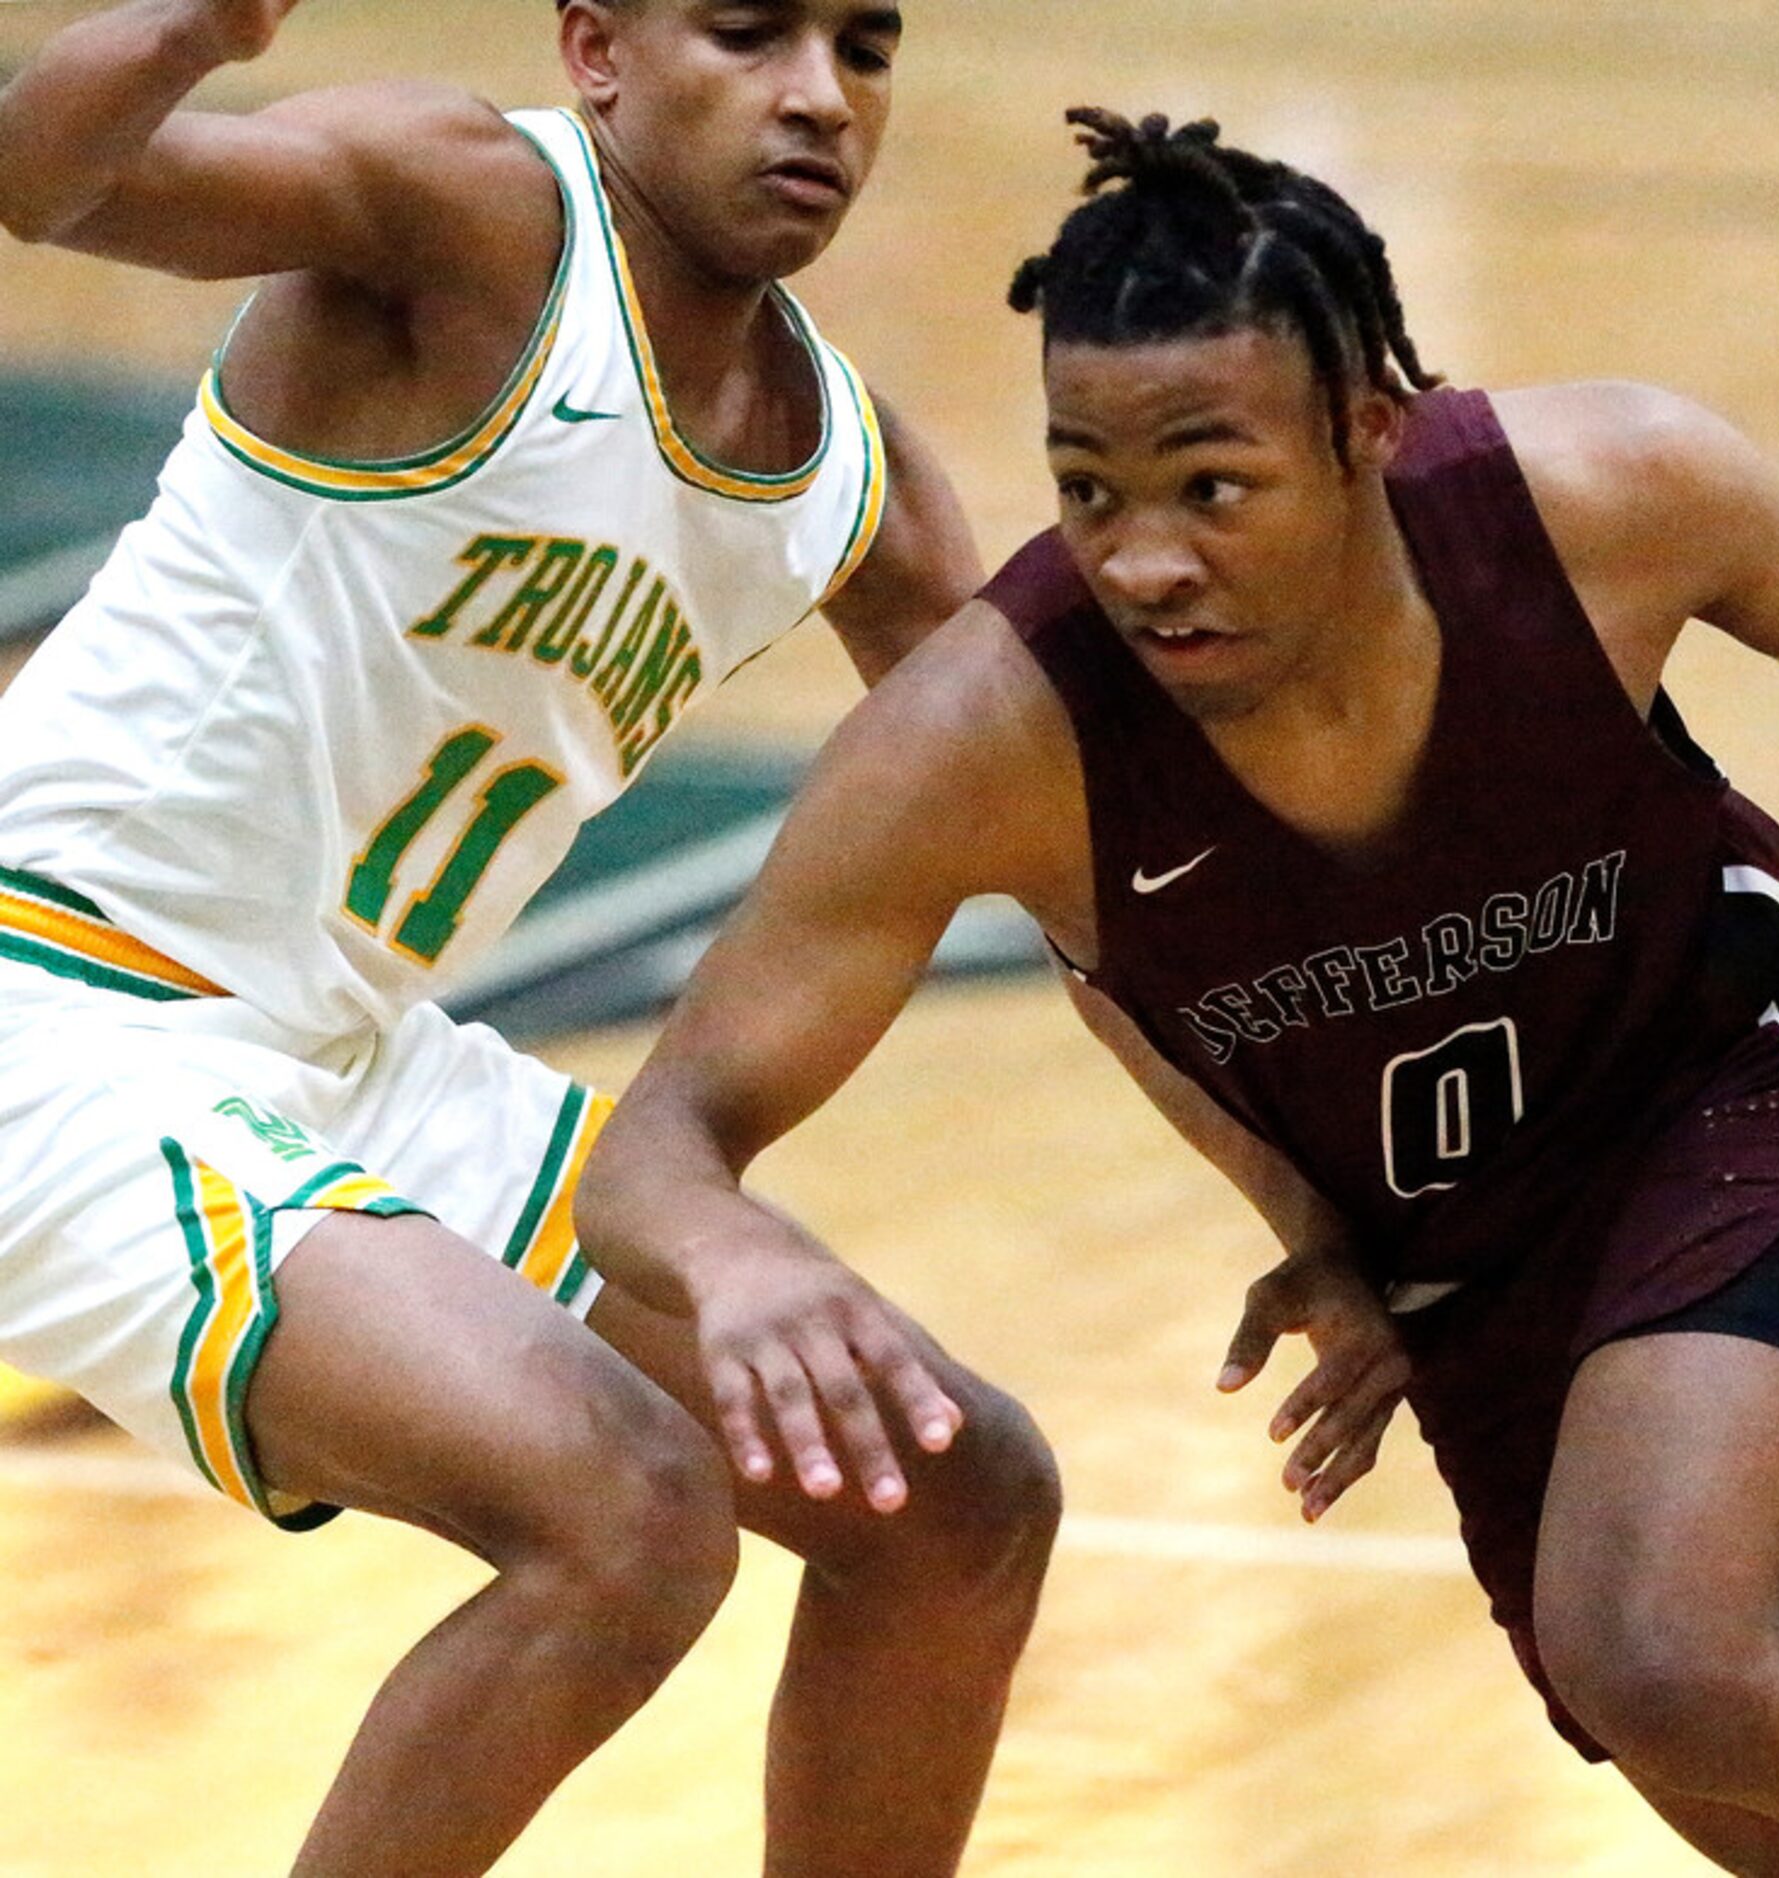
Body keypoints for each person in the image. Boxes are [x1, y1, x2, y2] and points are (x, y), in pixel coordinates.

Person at [576, 109, 1779, 1877]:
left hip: (1740, 1078)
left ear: (1373, 425)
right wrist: (744, 1258)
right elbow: (677, 1132)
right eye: (1087, 489)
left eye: (1212, 484)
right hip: (1460, 1249)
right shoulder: (983, 738)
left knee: (1661, 1638)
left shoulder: (1598, 496)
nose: (1142, 557)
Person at [0, 4, 1063, 1874]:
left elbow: (1067, 852)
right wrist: (195, 26)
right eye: (746, 31)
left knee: (954, 1494)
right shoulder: (463, 205)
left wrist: (1341, 1221)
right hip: (70, 1001)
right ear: (595, 51)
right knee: (628, 1509)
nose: (817, 92)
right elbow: (36, 178)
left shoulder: (850, 474)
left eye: (864, 47)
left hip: (353, 1054)